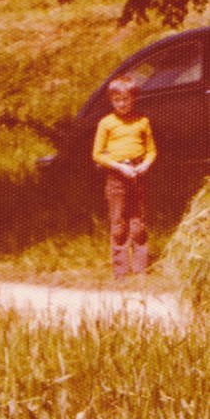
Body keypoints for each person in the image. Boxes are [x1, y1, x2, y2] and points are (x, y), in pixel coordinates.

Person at [92, 75, 156, 277]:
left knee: (138, 221)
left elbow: (151, 151)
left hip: (137, 173)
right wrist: (119, 167)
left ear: (133, 98)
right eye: (117, 100)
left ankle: (141, 268)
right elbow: (97, 154)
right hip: (116, 175)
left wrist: (145, 164)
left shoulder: (142, 121)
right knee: (119, 222)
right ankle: (120, 271)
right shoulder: (106, 123)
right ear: (111, 100)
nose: (121, 104)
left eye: (125, 99)